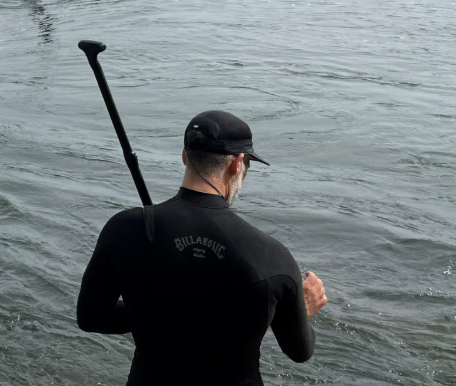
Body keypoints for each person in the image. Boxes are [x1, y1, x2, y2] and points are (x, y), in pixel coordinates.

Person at [76, 110, 328, 386]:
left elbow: (92, 318)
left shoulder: (125, 229)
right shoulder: (272, 257)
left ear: (185, 156)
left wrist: (154, 309)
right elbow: (299, 351)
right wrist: (301, 310)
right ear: (237, 164)